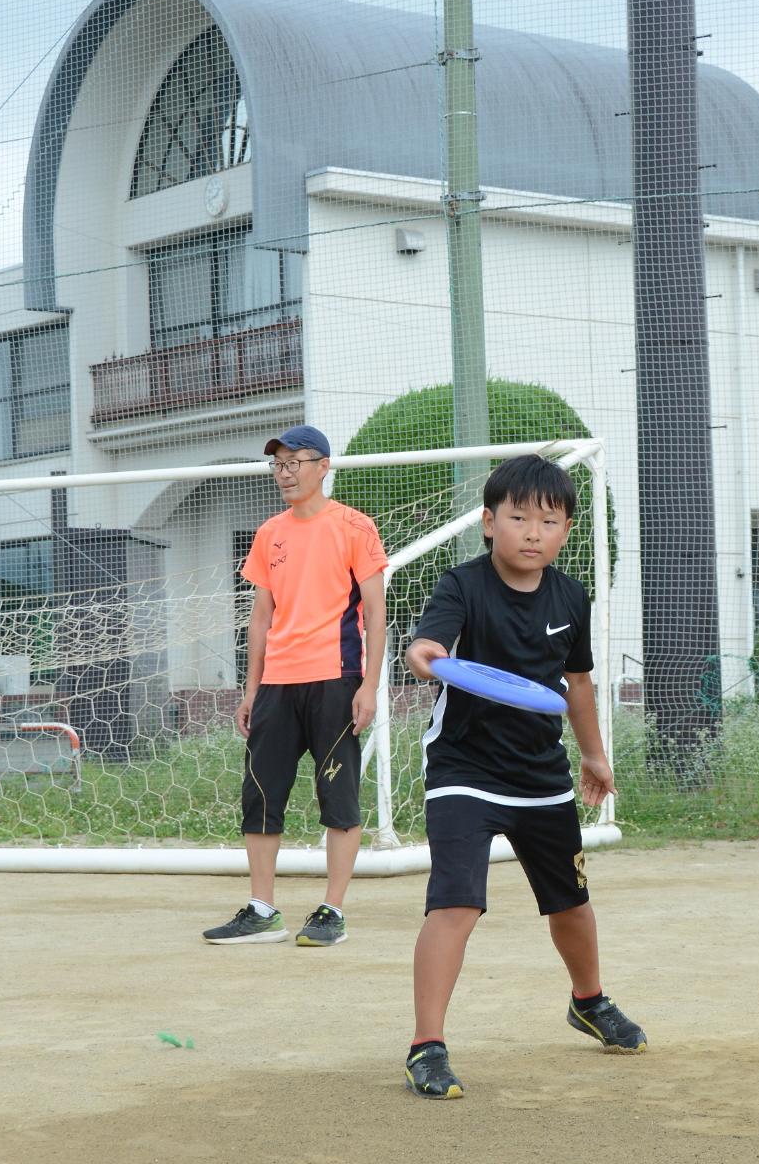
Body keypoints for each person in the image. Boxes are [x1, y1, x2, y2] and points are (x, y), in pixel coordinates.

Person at [402, 453, 646, 1097]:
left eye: (550, 521)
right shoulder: (461, 585)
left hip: (543, 772)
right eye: (518, 518)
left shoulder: (570, 596)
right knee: (456, 901)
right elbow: (431, 643)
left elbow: (578, 683)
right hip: (465, 766)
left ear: (566, 530)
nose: (533, 532)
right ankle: (427, 1045)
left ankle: (589, 1001)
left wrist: (593, 754)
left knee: (571, 902)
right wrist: (425, 654)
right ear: (488, 522)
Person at [203, 425, 387, 949]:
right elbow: (261, 616)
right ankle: (262, 910)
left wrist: (369, 686)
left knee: (339, 797)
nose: (284, 473)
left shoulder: (354, 527)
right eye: (277, 465)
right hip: (277, 686)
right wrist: (250, 689)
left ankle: (332, 910)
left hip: (335, 679)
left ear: (322, 466)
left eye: (294, 463)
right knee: (260, 796)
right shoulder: (269, 533)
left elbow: (375, 612)